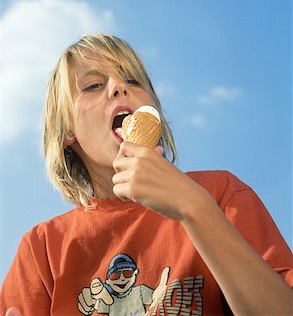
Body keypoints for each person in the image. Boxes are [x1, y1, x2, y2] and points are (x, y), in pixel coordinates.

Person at [1, 33, 292, 316]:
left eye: (133, 80)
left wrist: (195, 208)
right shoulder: (42, 248)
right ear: (66, 131)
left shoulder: (220, 193)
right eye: (92, 85)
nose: (118, 86)